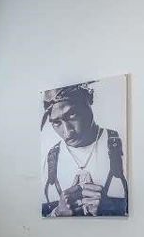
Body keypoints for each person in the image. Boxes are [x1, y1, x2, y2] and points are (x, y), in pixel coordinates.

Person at [41, 82, 128, 216]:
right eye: (56, 123)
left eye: (72, 114)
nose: (68, 132)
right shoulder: (48, 160)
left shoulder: (124, 144)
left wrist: (112, 210)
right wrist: (57, 213)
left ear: (89, 101)